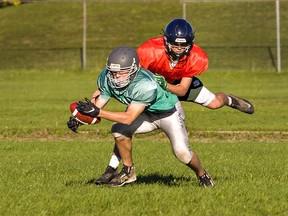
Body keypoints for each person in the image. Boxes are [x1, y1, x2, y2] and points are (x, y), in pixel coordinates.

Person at [92, 18, 254, 185]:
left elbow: (183, 90)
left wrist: (164, 84)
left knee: (214, 104)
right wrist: (106, 89)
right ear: (166, 40)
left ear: (191, 44)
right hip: (151, 90)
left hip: (176, 86)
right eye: (175, 44)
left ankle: (229, 99)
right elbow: (128, 72)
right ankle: (112, 169)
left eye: (183, 45)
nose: (178, 48)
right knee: (124, 126)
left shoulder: (195, 56)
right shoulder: (149, 50)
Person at [68, 46, 215, 187]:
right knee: (119, 130)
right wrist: (79, 118)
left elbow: (128, 118)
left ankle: (202, 174)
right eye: (113, 72)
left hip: (168, 113)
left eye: (122, 72)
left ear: (133, 70)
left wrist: (98, 112)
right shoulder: (106, 78)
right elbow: (96, 107)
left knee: (182, 153)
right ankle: (128, 170)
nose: (116, 76)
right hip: (145, 114)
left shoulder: (145, 84)